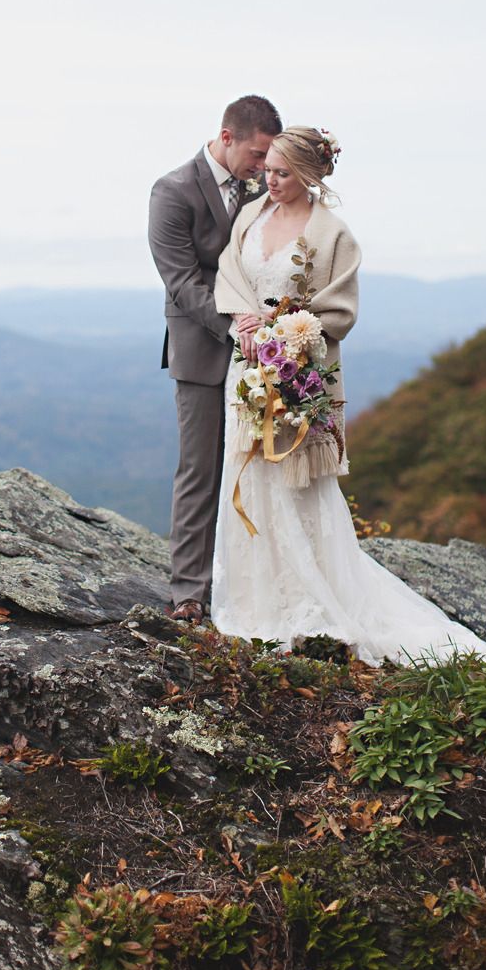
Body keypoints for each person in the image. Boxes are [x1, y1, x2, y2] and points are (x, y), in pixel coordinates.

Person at [210, 126, 486, 664]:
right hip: (245, 370)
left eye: (282, 173)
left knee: (294, 482)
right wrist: (244, 319)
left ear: (309, 175)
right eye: (268, 170)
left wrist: (283, 334)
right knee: (248, 474)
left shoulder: (333, 234)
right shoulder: (251, 215)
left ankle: (309, 600)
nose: (269, 181)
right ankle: (256, 603)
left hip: (298, 373)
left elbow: (339, 310)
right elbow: (229, 271)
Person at [148, 95, 283, 623]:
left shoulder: (262, 188)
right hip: (203, 348)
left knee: (262, 467)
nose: (263, 167)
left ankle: (256, 585)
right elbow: (181, 281)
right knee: (200, 470)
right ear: (227, 137)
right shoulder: (172, 191)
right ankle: (189, 592)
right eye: (256, 155)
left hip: (264, 353)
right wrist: (236, 326)